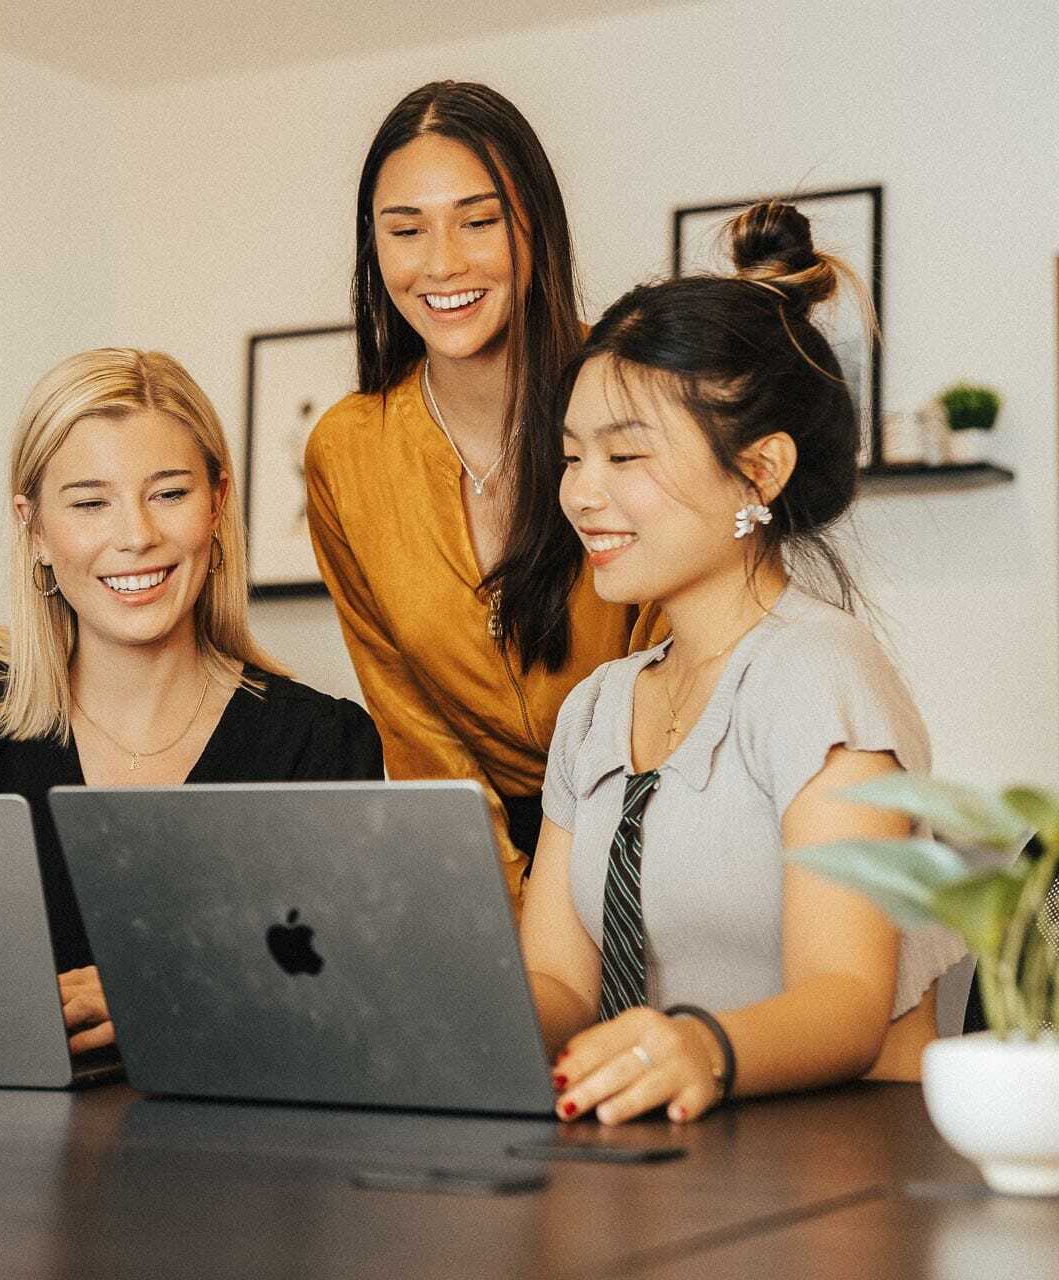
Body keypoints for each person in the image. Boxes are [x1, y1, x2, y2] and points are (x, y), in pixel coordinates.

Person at [519, 201, 966, 1125]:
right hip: (663, 1152)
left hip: (839, 1156)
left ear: (759, 471)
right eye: (571, 456)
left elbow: (844, 999)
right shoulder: (596, 709)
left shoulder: (820, 671)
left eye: (625, 455)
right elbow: (561, 980)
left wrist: (697, 1045)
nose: (583, 493)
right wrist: (442, 1020)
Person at [0, 348, 383, 1058]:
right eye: (90, 503)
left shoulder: (320, 743)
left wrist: (167, 991)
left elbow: (344, 1008)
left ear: (218, 503)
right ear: (35, 528)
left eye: (169, 493)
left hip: (227, 1160)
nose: (136, 536)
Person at [306, 81, 657, 909]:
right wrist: (515, 911)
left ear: (534, 224)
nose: (441, 263)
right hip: (478, 868)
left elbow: (673, 673)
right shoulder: (348, 451)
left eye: (478, 219)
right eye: (406, 229)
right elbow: (410, 721)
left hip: (657, 833)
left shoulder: (638, 398)